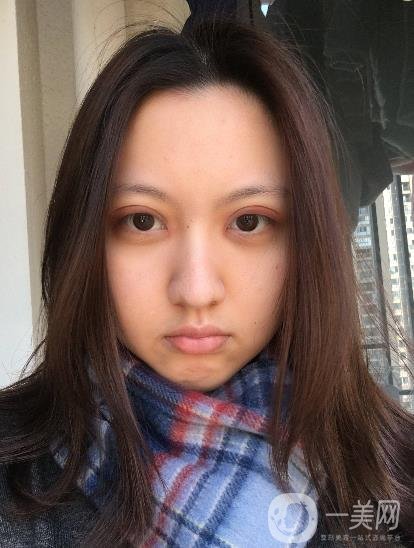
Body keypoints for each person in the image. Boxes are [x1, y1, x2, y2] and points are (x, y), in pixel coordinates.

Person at [0, 13, 413, 548]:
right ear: (83, 239)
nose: (196, 291)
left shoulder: (394, 476)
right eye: (142, 221)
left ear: (308, 243)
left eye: (249, 222)